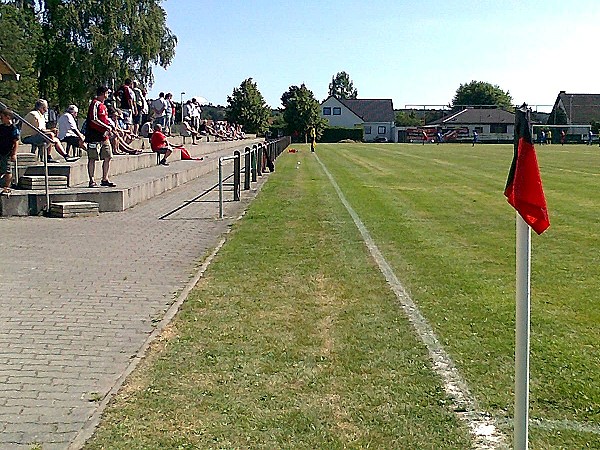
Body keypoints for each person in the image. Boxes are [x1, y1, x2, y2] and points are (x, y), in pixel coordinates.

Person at [85, 86, 116, 187]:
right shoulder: (95, 103)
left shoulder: (104, 105)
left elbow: (105, 119)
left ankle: (105, 179)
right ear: (103, 93)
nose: (108, 95)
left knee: (108, 156)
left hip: (104, 136)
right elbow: (93, 119)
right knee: (92, 158)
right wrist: (106, 126)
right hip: (94, 136)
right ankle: (92, 180)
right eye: (107, 93)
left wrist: (109, 128)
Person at [0, 108, 19, 195]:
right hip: (1, 151)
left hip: (7, 152)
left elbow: (16, 142)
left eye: (2, 117)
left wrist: (14, 154)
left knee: (7, 170)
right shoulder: (2, 127)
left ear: (8, 117)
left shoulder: (13, 128)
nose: (1, 119)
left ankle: (7, 187)